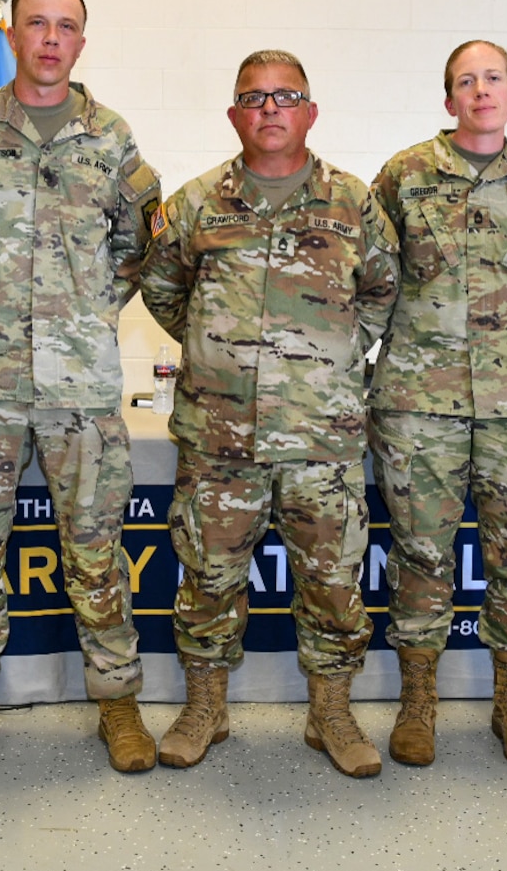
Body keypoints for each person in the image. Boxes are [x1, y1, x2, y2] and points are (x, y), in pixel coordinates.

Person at [0, 0, 163, 773]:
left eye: (67, 26)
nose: (51, 38)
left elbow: (134, 249)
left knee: (96, 548)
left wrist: (79, 314)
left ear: (82, 42)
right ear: (12, 35)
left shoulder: (113, 140)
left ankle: (117, 705)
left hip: (80, 388)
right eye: (36, 24)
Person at [141, 49, 399, 777]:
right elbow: (164, 291)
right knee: (208, 580)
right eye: (253, 99)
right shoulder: (196, 204)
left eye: (286, 97)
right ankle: (205, 708)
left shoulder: (353, 203)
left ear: (311, 112)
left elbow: (383, 292)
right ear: (234, 115)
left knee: (334, 582)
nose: (270, 110)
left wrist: (335, 356)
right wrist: (216, 351)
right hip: (219, 439)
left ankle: (331, 713)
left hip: (322, 439)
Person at [368, 40, 507, 767]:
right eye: (466, 81)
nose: (480, 91)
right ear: (448, 99)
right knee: (422, 554)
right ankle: (417, 703)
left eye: (493, 79)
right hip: (418, 403)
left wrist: (501, 349)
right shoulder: (404, 176)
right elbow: (373, 273)